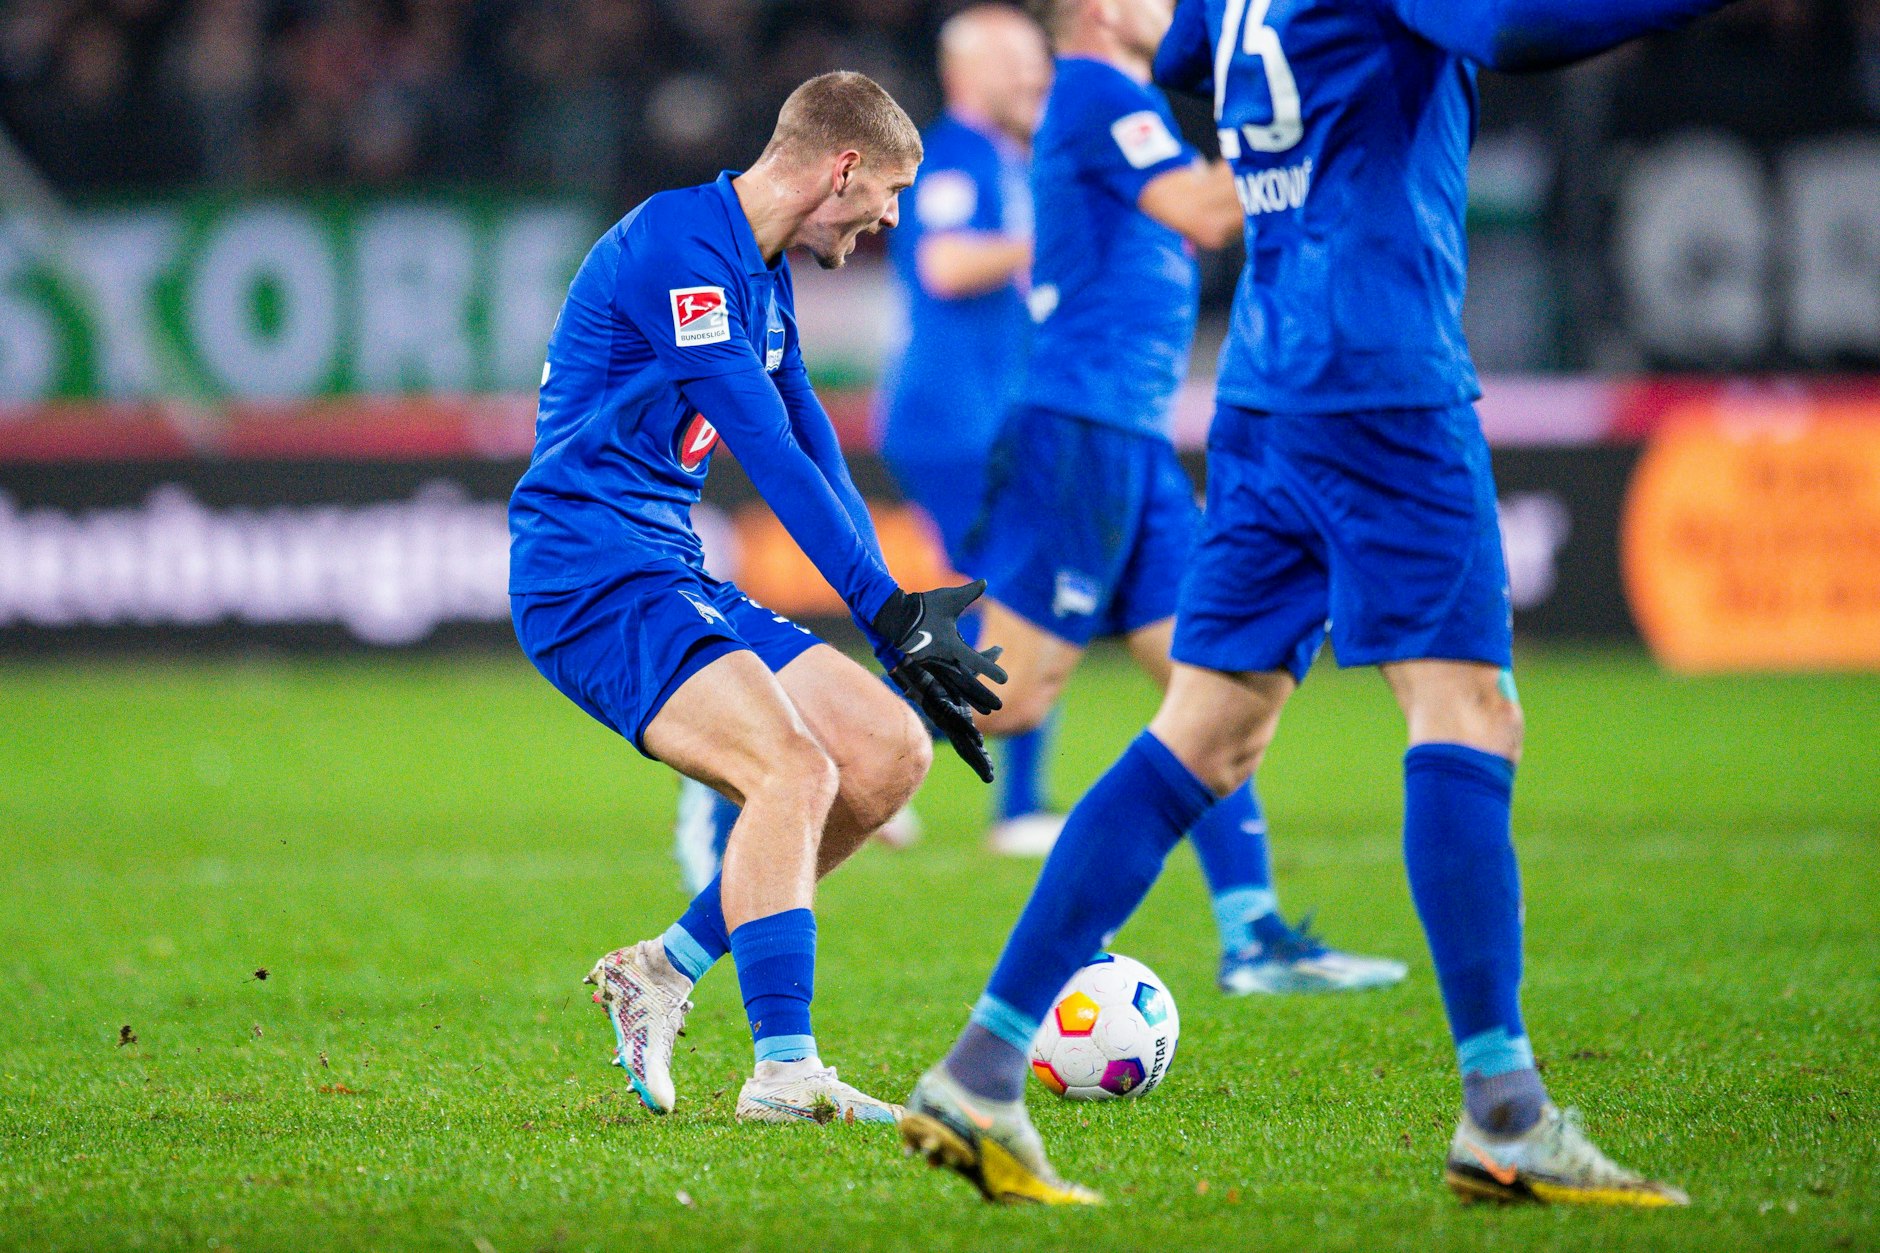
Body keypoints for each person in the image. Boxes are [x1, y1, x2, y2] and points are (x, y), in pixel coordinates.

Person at [900, 0, 1737, 1205]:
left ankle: (979, 1069)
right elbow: (1511, 30)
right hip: (1382, 377)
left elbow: (1186, 50)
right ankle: (1503, 1111)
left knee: (1206, 727)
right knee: (1467, 710)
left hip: (1259, 384)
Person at [509, 71, 1004, 1126]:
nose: (891, 216)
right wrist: (879, 607)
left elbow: (811, 434)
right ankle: (784, 1071)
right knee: (792, 764)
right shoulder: (676, 247)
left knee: (886, 751)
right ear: (843, 166)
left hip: (661, 563)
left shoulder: (759, 268)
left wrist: (898, 609)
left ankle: (665, 965)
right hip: (589, 572)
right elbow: (766, 449)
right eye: (891, 190)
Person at [965, 0, 1406, 994]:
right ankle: (803, 730)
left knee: (1209, 681)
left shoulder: (1134, 103)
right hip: (1081, 427)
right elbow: (1207, 213)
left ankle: (1251, 934)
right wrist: (1314, 128)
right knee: (1014, 694)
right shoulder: (1090, 93)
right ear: (1095, 9)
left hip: (1133, 434)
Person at [673, 5, 1056, 881]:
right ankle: (997, 797)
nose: (1038, 76)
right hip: (953, 421)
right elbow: (945, 268)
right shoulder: (958, 163)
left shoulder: (1004, 162)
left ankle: (886, 763)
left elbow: (805, 428)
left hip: (989, 416)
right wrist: (1048, 242)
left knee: (1008, 600)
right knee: (1019, 591)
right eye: (1020, 62)